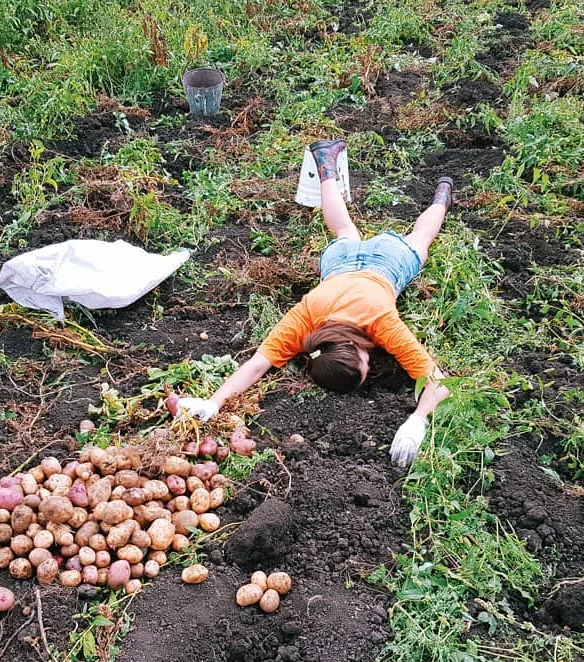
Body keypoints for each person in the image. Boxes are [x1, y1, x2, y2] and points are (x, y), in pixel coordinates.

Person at [176, 138, 453, 468]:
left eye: (366, 362)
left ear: (358, 349)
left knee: (419, 240)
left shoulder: (380, 320)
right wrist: (213, 401)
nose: (371, 358)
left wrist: (418, 420)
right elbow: (257, 363)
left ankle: (443, 195)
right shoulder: (306, 319)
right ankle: (325, 166)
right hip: (340, 262)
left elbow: (439, 381)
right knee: (343, 229)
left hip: (386, 264)